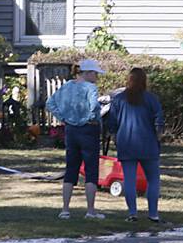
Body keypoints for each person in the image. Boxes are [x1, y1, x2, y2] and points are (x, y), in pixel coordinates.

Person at [47, 59, 107, 220]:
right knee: (91, 169)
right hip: (88, 129)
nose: (97, 77)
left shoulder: (67, 86)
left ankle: (65, 209)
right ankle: (90, 210)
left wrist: (64, 118)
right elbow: (94, 107)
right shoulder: (90, 87)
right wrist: (92, 117)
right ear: (87, 73)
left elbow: (50, 103)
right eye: (95, 73)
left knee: (71, 168)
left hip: (71, 130)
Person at [106, 67, 165, 222]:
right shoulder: (151, 99)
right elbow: (159, 120)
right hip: (148, 143)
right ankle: (153, 214)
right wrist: (158, 136)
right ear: (144, 80)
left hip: (126, 143)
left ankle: (132, 213)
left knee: (129, 180)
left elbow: (111, 122)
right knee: (153, 180)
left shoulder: (119, 99)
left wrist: (115, 137)